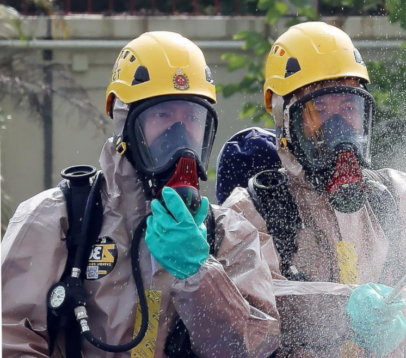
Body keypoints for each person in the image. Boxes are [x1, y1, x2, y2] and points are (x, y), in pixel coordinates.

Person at [1, 32, 280, 357]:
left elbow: (254, 348)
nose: (180, 133)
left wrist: (200, 274)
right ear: (125, 126)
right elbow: (9, 339)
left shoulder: (229, 234)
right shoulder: (56, 219)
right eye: (162, 115)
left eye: (191, 117)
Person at [217, 22, 406, 357]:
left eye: (349, 108)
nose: (338, 127)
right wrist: (342, 309)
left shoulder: (405, 196)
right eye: (319, 110)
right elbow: (251, 305)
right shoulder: (250, 211)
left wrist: (401, 313)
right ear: (283, 114)